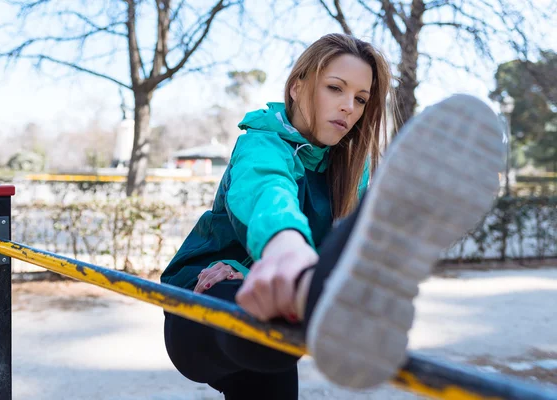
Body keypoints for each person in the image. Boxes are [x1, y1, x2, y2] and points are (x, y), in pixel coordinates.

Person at [161, 33, 504, 399]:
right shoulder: (262, 143)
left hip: (279, 332)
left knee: (281, 336)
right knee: (265, 312)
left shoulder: (354, 169)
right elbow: (265, 192)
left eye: (360, 99)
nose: (348, 107)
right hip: (201, 306)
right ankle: (309, 290)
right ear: (297, 86)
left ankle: (311, 292)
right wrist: (286, 250)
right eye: (335, 88)